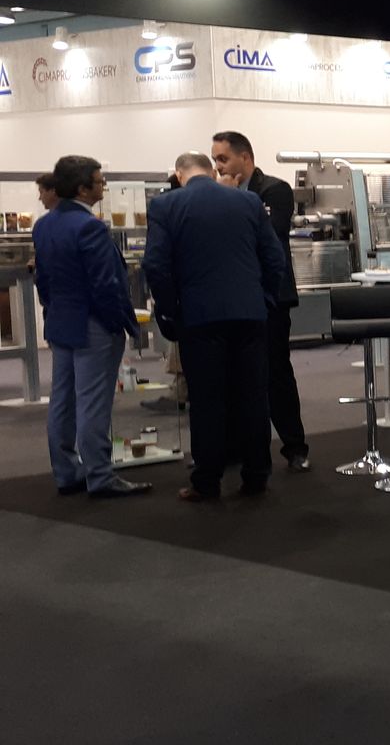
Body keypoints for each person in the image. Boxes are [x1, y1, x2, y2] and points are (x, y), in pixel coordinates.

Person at [145, 151, 286, 503]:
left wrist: (170, 310)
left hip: (199, 317)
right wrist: (264, 298)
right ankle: (257, 475)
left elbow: (156, 265)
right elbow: (274, 257)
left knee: (207, 401)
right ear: (210, 172)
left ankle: (207, 481)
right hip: (249, 314)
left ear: (179, 175)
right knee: (253, 397)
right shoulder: (248, 202)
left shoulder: (165, 206)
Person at [32, 155, 149, 499]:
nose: (103, 186)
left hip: (61, 322)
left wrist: (53, 312)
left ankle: (67, 472)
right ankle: (100, 475)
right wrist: (118, 323)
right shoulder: (89, 227)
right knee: (93, 403)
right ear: (82, 188)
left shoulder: (44, 225)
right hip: (93, 325)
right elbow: (105, 284)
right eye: (99, 181)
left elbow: (44, 281)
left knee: (63, 402)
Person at [210, 130, 309, 471]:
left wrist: (228, 201)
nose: (218, 166)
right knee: (234, 375)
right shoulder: (219, 194)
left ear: (245, 157)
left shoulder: (274, 190)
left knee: (276, 372)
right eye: (215, 160)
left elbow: (267, 235)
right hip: (234, 297)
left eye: (223, 158)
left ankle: (295, 447)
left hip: (271, 297)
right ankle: (239, 447)